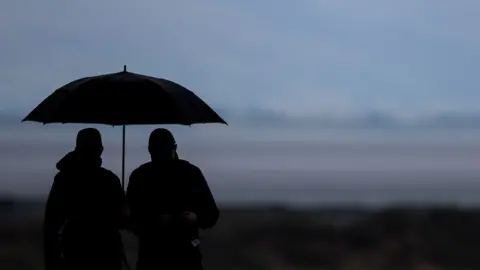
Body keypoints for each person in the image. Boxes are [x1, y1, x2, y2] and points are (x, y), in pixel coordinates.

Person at [126, 128, 219, 270]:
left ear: (174, 148)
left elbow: (211, 214)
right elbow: (129, 218)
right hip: (152, 256)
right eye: (155, 152)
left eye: (163, 151)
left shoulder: (191, 173)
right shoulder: (140, 176)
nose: (160, 156)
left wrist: (195, 218)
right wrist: (151, 221)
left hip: (186, 255)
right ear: (150, 151)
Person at [43, 128, 126, 270]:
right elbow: (122, 219)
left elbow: (51, 224)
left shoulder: (64, 179)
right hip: (105, 255)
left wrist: (51, 262)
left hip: (74, 253)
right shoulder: (110, 180)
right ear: (100, 150)